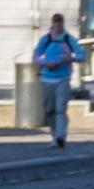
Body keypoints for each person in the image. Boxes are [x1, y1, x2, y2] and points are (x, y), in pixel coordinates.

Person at [31, 11, 83, 148]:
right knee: (49, 110)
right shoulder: (46, 39)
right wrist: (46, 63)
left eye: (60, 25)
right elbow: (36, 56)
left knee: (60, 108)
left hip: (63, 79)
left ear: (63, 24)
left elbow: (82, 55)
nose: (58, 27)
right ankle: (55, 136)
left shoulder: (69, 39)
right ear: (52, 25)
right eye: (56, 24)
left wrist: (70, 58)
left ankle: (60, 136)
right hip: (47, 79)